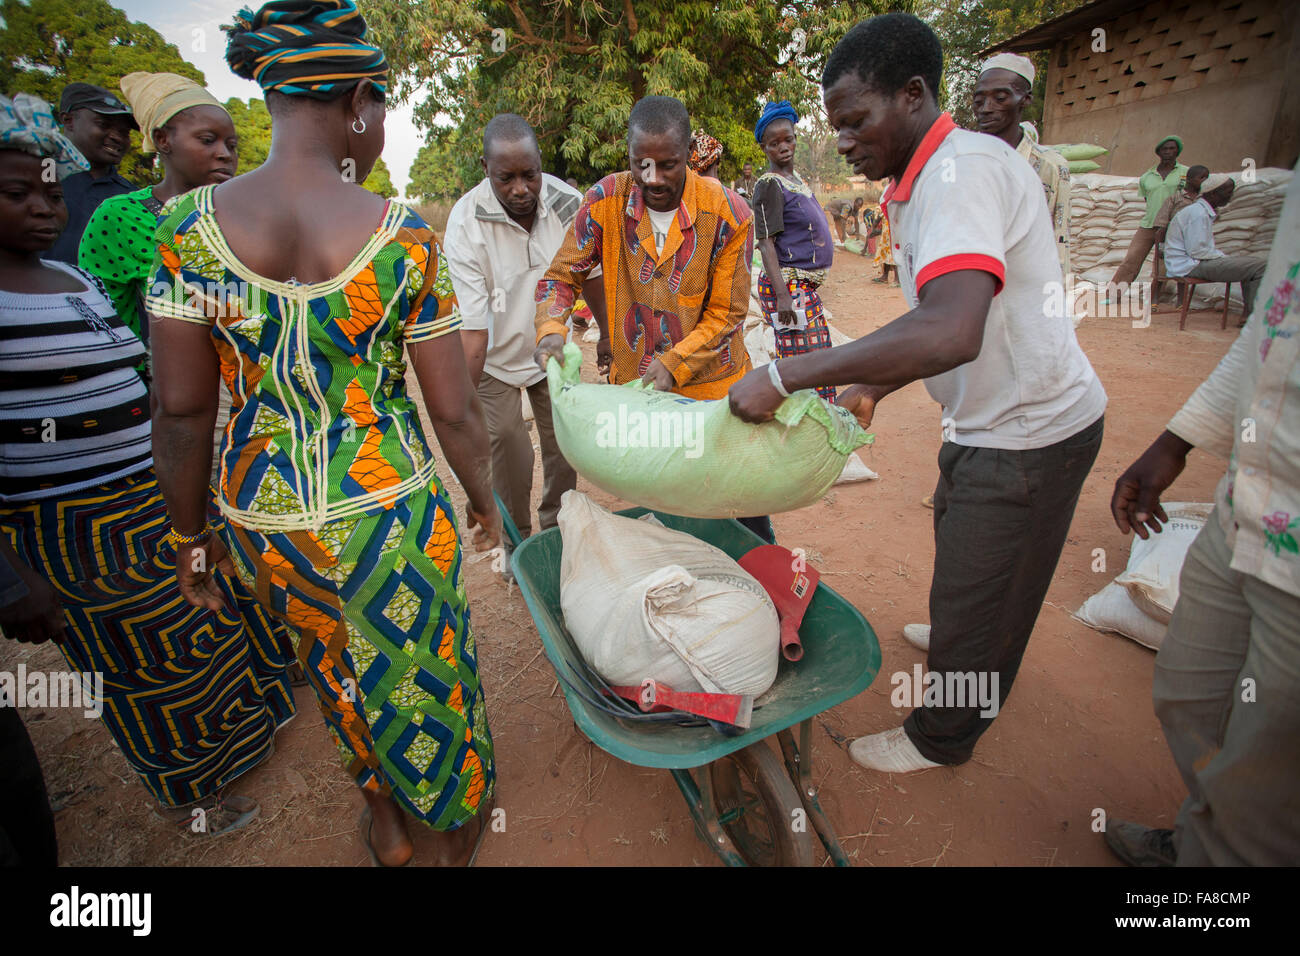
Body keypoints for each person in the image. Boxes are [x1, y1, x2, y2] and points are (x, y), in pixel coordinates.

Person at [147, 0, 500, 867]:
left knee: (332, 670)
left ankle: (385, 823)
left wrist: (191, 538)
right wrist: (487, 501)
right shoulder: (402, 239)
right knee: (425, 665)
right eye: (376, 106)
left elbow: (183, 412)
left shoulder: (188, 236)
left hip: (269, 520)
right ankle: (450, 834)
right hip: (390, 508)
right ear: (358, 105)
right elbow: (452, 408)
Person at [728, 12, 1107, 774]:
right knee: (966, 547)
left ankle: (943, 737)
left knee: (985, 578)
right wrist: (871, 383)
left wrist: (784, 372)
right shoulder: (923, 182)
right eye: (834, 126)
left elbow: (952, 329)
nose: (841, 141)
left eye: (855, 120)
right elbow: (941, 321)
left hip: (1030, 433)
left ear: (912, 95)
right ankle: (975, 626)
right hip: (985, 423)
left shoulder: (960, 177)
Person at [0, 92, 293, 836]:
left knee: (209, 624)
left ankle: (244, 741)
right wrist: (8, 575)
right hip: (71, 523)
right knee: (140, 663)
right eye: (16, 195)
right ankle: (193, 797)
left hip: (151, 490)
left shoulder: (71, 283)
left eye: (47, 190)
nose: (45, 208)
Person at [1105, 165, 1300, 867]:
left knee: (1270, 757)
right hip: (1249, 500)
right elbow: (1274, 323)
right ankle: (1210, 836)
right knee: (1190, 689)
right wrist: (1176, 441)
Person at [533, 95, 754, 400]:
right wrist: (550, 330)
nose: (653, 179)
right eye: (642, 165)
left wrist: (676, 362)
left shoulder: (729, 215)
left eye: (668, 166)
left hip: (708, 396)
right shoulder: (604, 201)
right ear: (629, 153)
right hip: (632, 392)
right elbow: (562, 277)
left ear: (688, 153)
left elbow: (727, 314)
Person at [443, 114, 581, 540]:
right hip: (494, 358)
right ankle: (516, 540)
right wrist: (464, 402)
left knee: (565, 442)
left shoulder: (567, 203)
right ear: (485, 170)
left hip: (551, 348)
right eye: (506, 178)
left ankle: (557, 532)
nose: (521, 189)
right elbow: (474, 328)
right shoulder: (466, 223)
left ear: (542, 163)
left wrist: (610, 339)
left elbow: (590, 277)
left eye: (530, 175)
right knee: (506, 442)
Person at [79, 72, 238, 346]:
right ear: (163, 139)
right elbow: (107, 325)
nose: (225, 154)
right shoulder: (121, 217)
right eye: (208, 140)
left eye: (232, 145)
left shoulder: (246, 214)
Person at [752, 99, 836, 402]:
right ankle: (806, 429)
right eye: (774, 143)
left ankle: (820, 426)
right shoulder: (769, 185)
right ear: (765, 148)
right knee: (804, 366)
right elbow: (766, 244)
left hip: (800, 286)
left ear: (796, 139)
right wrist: (783, 296)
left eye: (787, 139)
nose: (783, 147)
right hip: (787, 287)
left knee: (818, 358)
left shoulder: (795, 181)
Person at [973, 53, 1072, 277]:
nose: (986, 108)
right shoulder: (964, 161)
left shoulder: (1049, 167)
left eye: (1000, 98)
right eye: (979, 101)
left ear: (1025, 99)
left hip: (1027, 290)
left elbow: (1059, 239)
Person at [44, 83, 138, 264]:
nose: (117, 137)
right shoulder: (36, 178)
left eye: (124, 132)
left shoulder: (133, 198)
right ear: (68, 120)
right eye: (103, 124)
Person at [1164, 173, 1268, 321]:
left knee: (1250, 265)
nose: (1230, 196)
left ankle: (1248, 314)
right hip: (1191, 265)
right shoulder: (1198, 214)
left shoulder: (1199, 211)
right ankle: (1253, 317)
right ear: (1213, 194)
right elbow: (1198, 251)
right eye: (1227, 192)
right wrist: (1223, 258)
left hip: (1193, 262)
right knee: (1259, 267)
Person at [1108, 134, 1188, 293]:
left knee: (1161, 264)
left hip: (1173, 226)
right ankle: (1113, 294)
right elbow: (1148, 199)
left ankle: (1156, 297)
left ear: (1177, 151)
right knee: (1131, 259)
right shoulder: (1147, 176)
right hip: (1149, 224)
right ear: (1158, 153)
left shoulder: (1185, 172)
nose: (1168, 152)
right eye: (1164, 149)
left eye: (1172, 148)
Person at [1153, 164, 1208, 238]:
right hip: (1177, 237)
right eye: (1201, 177)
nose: (1205, 180)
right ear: (1188, 179)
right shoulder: (1175, 198)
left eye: (1207, 178)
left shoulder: (1205, 198)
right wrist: (1159, 246)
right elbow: (1161, 225)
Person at [872, 191, 897, 284]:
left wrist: (873, 230)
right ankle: (885, 276)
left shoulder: (880, 209)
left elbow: (875, 222)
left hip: (888, 237)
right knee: (888, 256)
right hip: (892, 236)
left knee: (892, 257)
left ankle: (897, 279)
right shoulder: (894, 207)